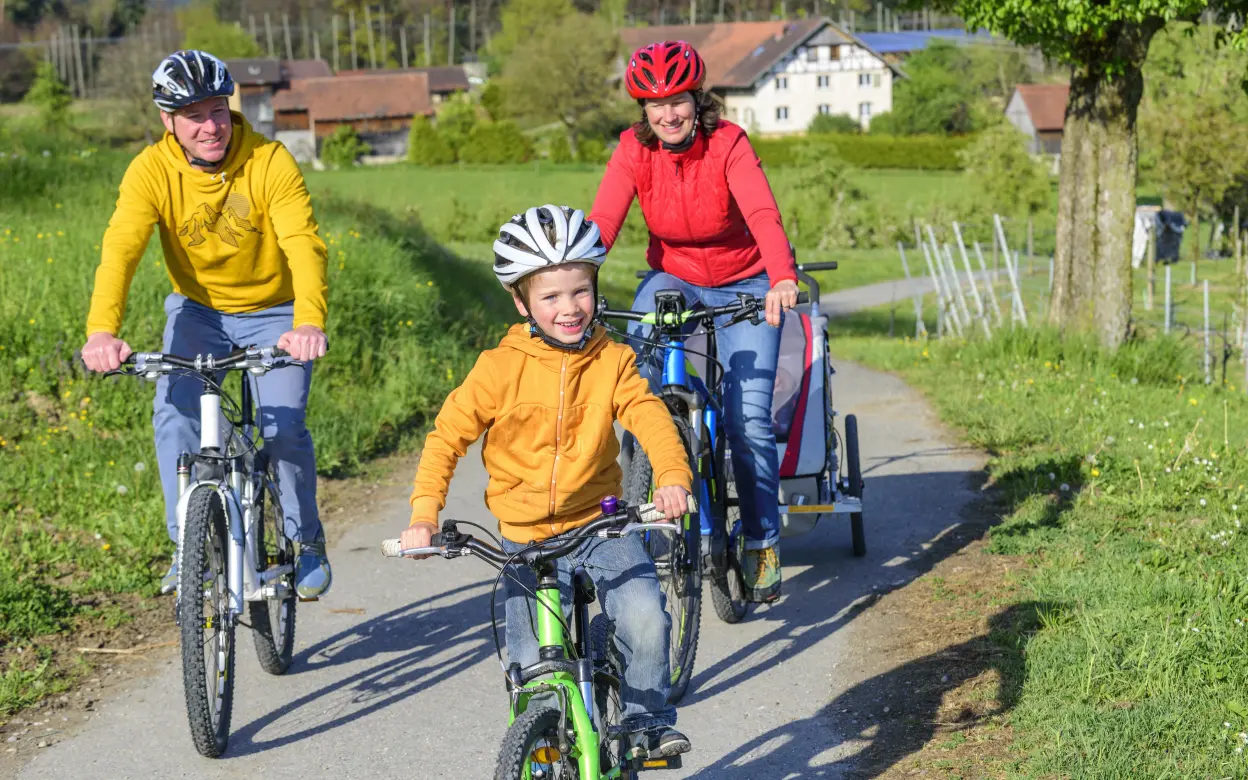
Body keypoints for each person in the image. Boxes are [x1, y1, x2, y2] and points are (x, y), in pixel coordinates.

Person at [399, 205, 694, 756]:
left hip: (599, 525)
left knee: (645, 616)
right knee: (529, 661)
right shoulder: (498, 367)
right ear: (522, 301)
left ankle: (644, 724)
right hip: (525, 535)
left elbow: (648, 416)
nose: (569, 308)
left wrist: (672, 477)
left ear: (595, 287)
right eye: (551, 297)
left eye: (580, 291)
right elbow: (447, 437)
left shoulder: (614, 359)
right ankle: (541, 740)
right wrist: (424, 514)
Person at [80, 50, 333, 600]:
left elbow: (303, 245)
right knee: (175, 418)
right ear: (168, 120)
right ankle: (188, 552)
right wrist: (102, 330)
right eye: (193, 114)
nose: (211, 126)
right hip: (198, 311)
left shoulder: (269, 161)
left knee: (282, 428)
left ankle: (303, 539)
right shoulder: (150, 170)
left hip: (277, 311)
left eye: (218, 109)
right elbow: (120, 249)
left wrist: (309, 321)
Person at [589, 40, 799, 603]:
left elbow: (761, 211)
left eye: (677, 101)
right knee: (639, 379)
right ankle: (660, 472)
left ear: (695, 98)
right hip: (675, 277)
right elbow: (603, 222)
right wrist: (572, 283)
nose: (668, 114)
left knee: (748, 417)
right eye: (655, 105)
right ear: (643, 109)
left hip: (747, 280)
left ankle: (761, 540)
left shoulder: (728, 143)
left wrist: (781, 276)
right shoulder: (634, 151)